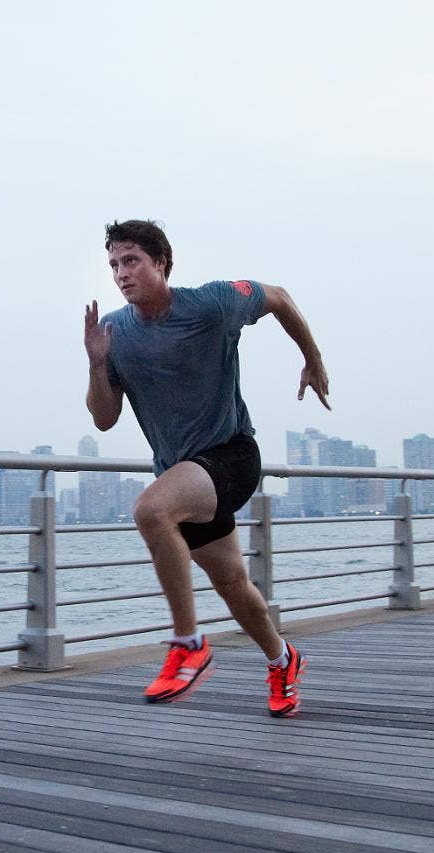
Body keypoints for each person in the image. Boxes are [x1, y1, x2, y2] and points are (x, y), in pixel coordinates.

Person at [84, 219, 330, 717]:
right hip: (186, 475)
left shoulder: (211, 303)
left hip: (233, 455)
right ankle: (283, 659)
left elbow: (278, 296)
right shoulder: (114, 333)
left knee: (152, 511)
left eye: (131, 261)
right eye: (113, 264)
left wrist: (313, 358)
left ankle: (188, 644)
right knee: (233, 584)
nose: (121, 274)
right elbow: (105, 420)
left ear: (161, 264)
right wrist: (95, 363)